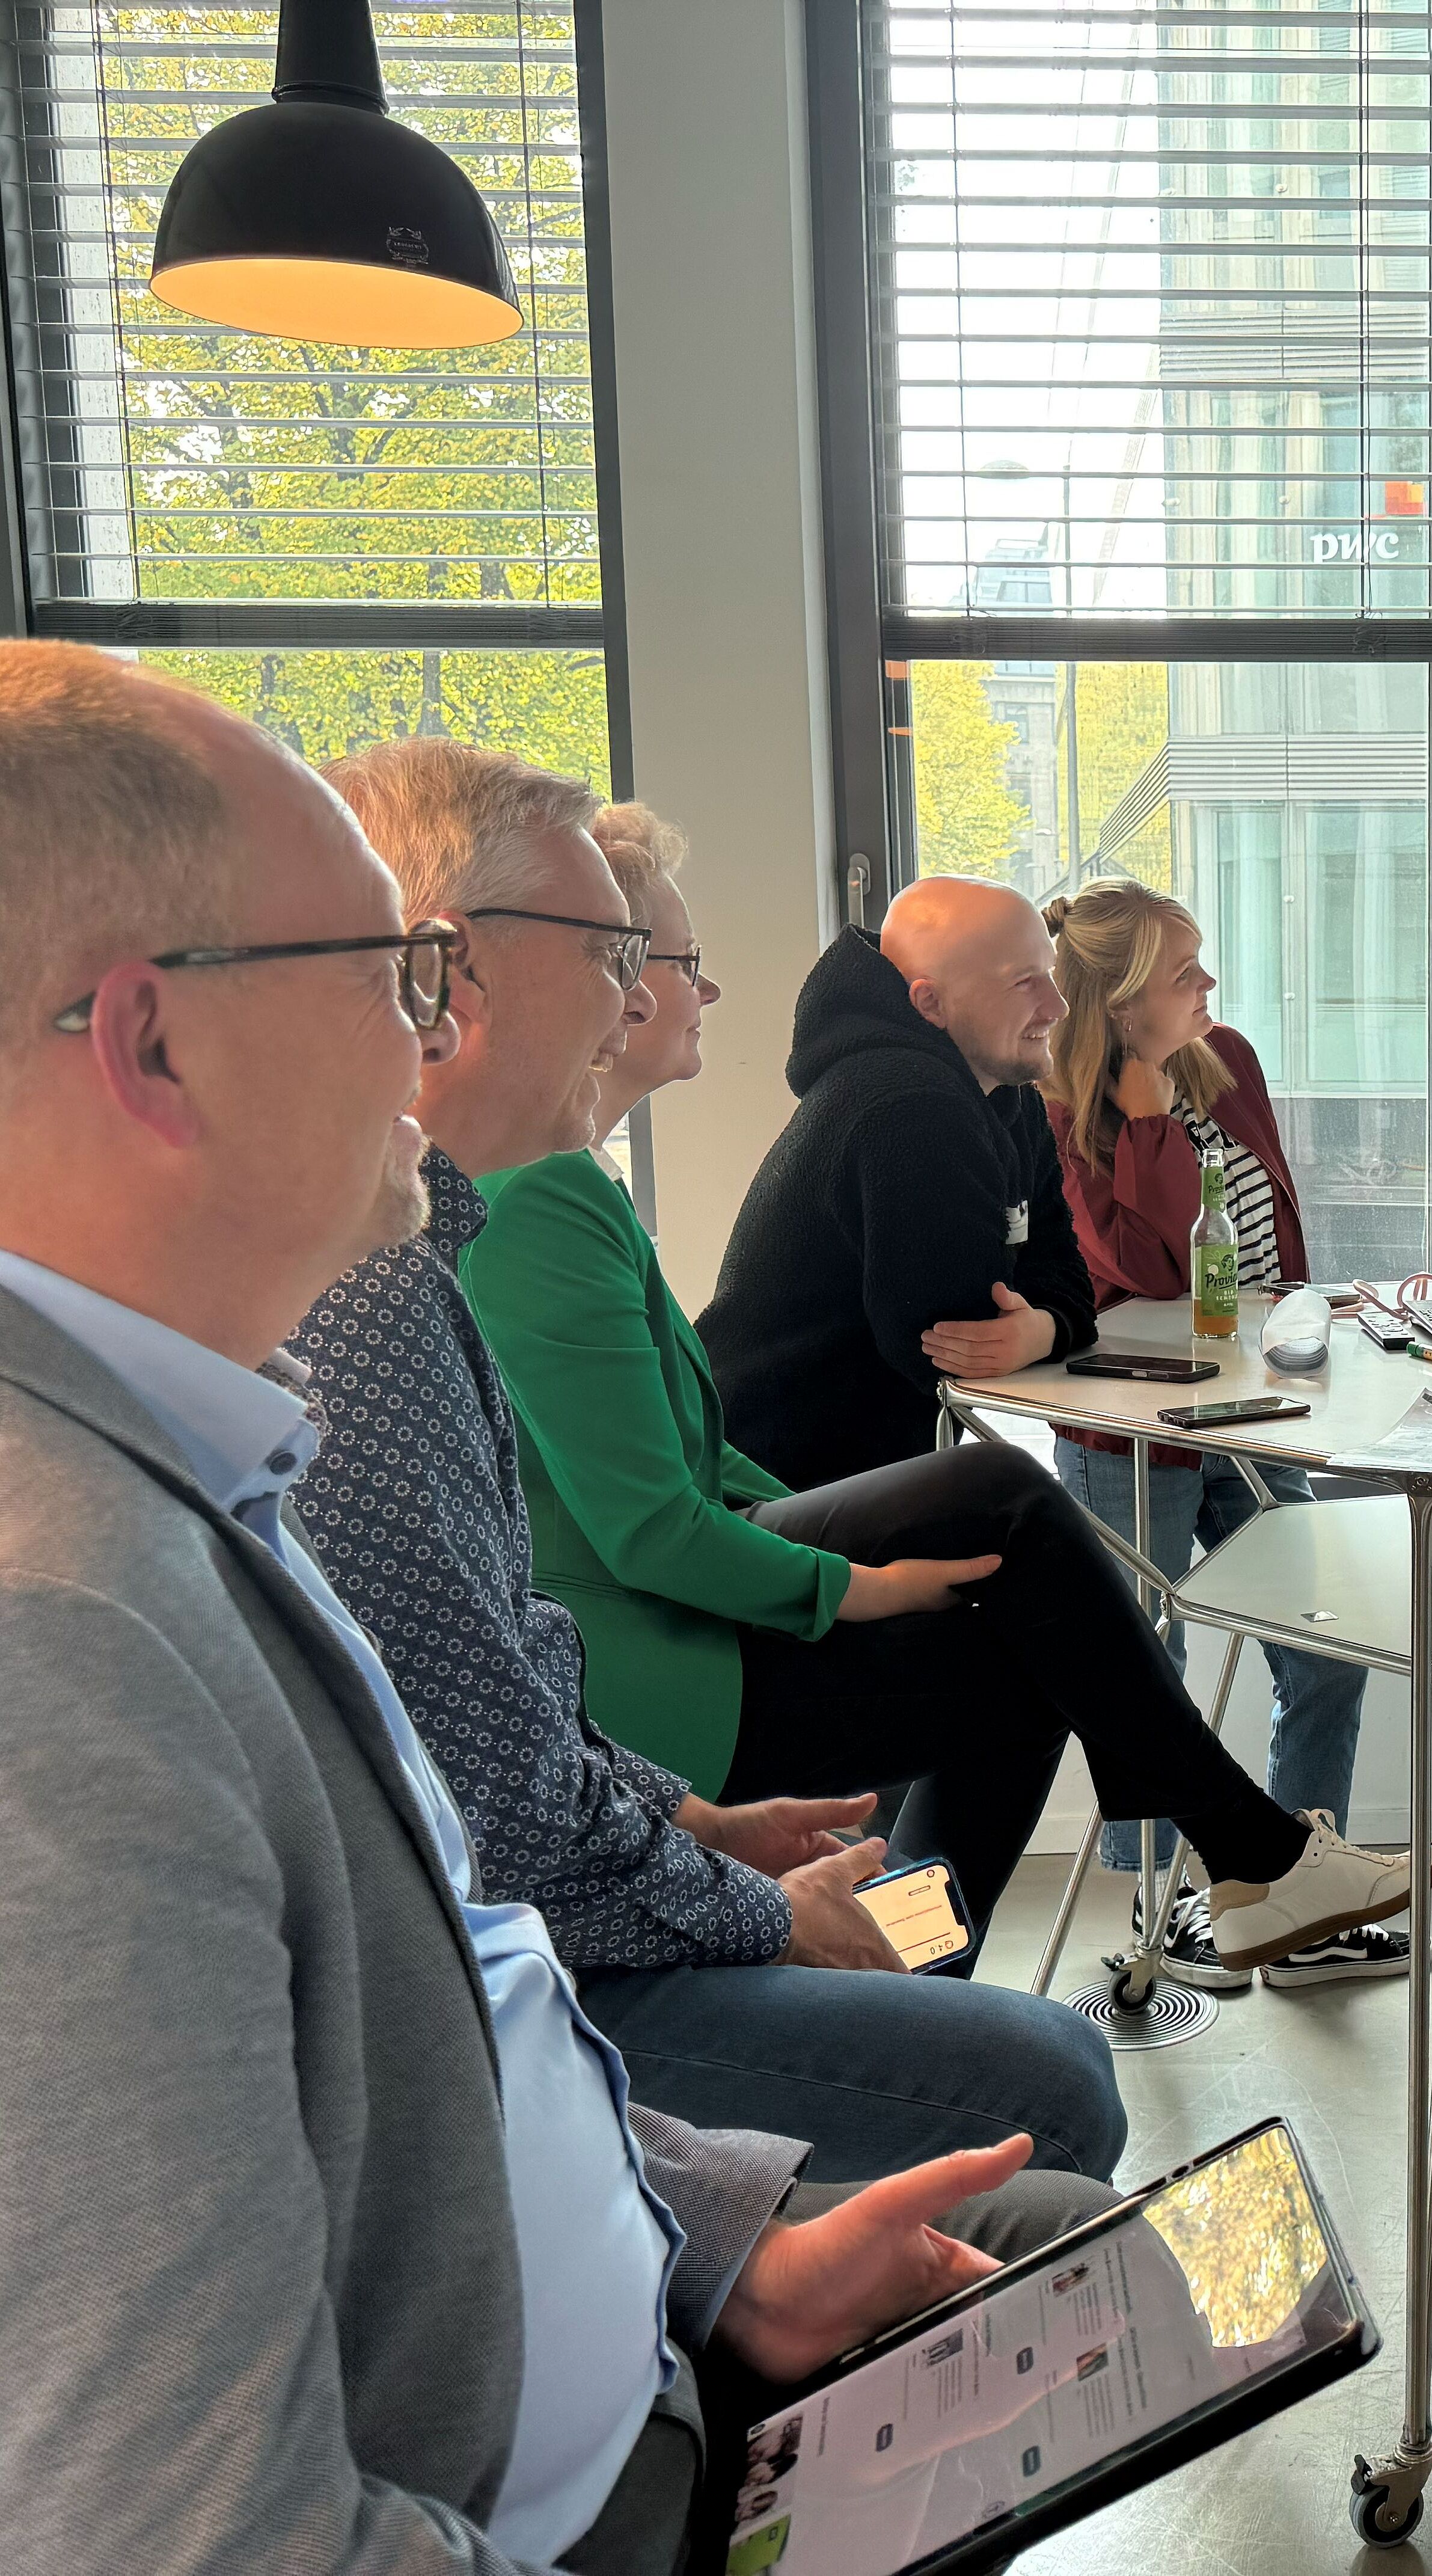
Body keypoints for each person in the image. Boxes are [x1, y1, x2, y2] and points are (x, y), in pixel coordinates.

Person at [0, 639, 1111, 2576]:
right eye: (388, 979)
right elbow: (193, 2526)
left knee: (1009, 1610)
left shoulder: (211, 1424)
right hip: (571, 2470)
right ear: (148, 1044)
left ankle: (1197, 1854)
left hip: (641, 2109)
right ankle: (1223, 1853)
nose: (421, 1046)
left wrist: (711, 2250)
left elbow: (480, 1857)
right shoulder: (67, 1635)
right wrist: (758, 1837)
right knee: (1042, 2054)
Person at [286, 744, 1125, 2182]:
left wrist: (692, 1822)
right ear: (450, 976)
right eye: (622, 951)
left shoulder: (451, 1245)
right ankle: (1130, 1894)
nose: (639, 997)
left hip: (625, 1753)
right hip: (646, 1716)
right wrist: (751, 1892)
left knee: (1005, 1604)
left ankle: (949, 1958)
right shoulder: (382, 1293)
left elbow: (505, 1682)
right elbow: (627, 1570)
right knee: (1051, 2058)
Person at [457, 818, 1432, 1975]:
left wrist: (1041, 1319)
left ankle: (942, 1966)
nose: (708, 984)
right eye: (677, 961)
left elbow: (1054, 1283)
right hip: (668, 1656)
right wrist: (857, 1581)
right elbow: (673, 1512)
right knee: (1007, 1536)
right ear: (609, 986)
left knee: (1011, 1604)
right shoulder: (559, 1191)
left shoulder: (589, 1178)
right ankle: (1226, 1866)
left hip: (751, 1530)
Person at [1039, 879, 1395, 1998]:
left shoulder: (1225, 1056)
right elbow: (1141, 1270)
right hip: (1135, 1427)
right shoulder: (1061, 1105)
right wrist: (1141, 1100)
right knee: (1147, 1673)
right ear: (1119, 998)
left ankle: (1295, 1895)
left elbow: (1271, 1235)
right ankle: (1159, 1920)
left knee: (1327, 1643)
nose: (1209, 987)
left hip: (1262, 1411)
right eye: (1184, 972)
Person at [700, 876, 1102, 1491]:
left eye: (1048, 974)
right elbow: (948, 1339)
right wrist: (1044, 1319)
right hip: (771, 1488)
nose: (1057, 1006)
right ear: (929, 1005)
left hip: (852, 1471)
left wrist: (1043, 1328)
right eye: (1023, 982)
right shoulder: (909, 1105)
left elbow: (1063, 1274)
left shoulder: (1007, 1099)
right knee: (1025, 1520)